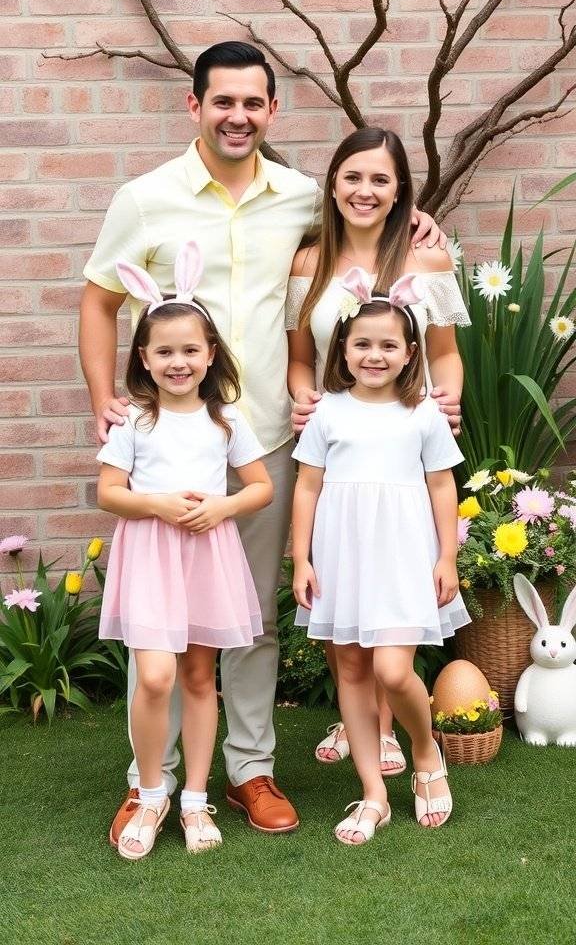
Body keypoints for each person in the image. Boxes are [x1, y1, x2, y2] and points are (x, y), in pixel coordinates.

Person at [79, 41, 444, 841]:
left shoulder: (305, 200)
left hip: (269, 442)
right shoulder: (145, 199)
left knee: (248, 617)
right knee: (165, 624)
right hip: (174, 446)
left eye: (253, 103)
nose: (238, 116)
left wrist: (416, 222)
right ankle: (155, 781)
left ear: (272, 111)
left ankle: (249, 768)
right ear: (195, 107)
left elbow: (365, 225)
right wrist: (106, 397)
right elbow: (101, 301)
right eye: (222, 102)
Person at [286, 127, 470, 773]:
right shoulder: (307, 262)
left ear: (400, 193)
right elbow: (300, 361)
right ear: (333, 184)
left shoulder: (428, 261)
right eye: (353, 177)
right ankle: (356, 716)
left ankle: (389, 731)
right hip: (335, 442)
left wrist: (444, 404)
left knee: (390, 581)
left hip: (402, 450)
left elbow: (444, 356)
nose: (365, 191)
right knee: (346, 581)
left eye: (381, 180)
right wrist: (304, 398)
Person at [97, 243, 273, 859]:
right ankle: (151, 791)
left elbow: (260, 486)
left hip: (205, 553)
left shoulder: (225, 420)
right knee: (155, 675)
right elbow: (108, 492)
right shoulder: (135, 423)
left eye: (190, 350)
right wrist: (160, 505)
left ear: (210, 354)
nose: (178, 362)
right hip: (152, 554)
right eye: (164, 351)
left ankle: (196, 800)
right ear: (143, 359)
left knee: (201, 676)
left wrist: (221, 506)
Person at [291, 269, 471, 842]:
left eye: (388, 344)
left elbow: (443, 487)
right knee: (350, 667)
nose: (375, 354)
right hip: (342, 556)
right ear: (342, 347)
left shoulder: (422, 413)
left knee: (393, 669)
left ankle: (424, 752)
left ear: (409, 351)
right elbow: (307, 487)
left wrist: (448, 557)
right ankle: (373, 791)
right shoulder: (327, 412)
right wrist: (302, 560)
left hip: (402, 556)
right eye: (362, 343)